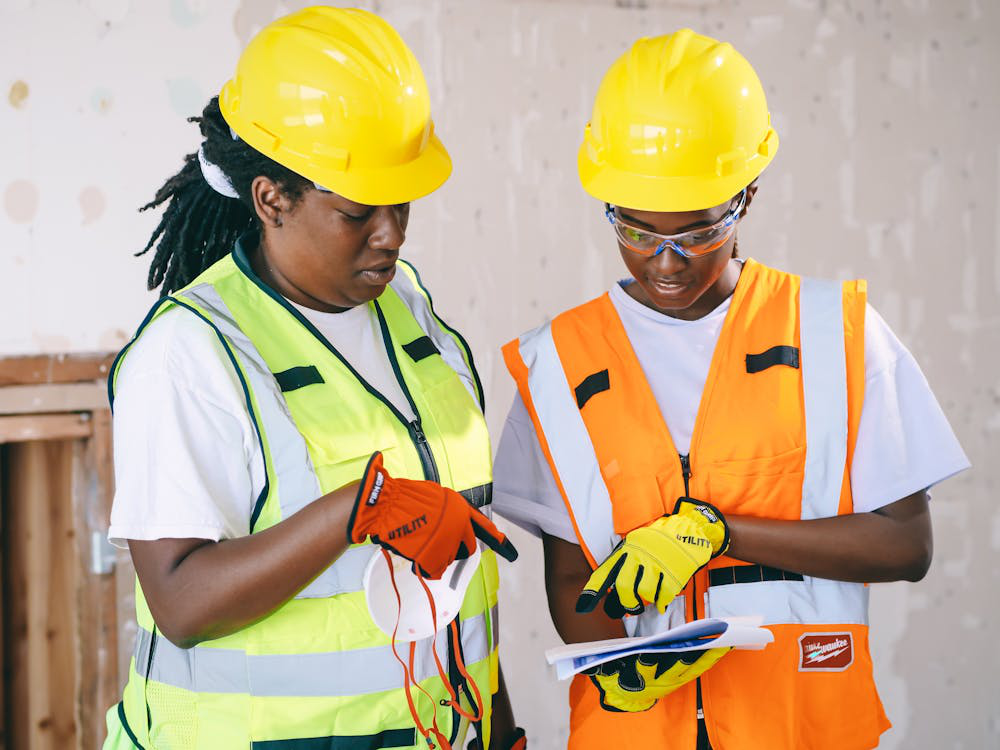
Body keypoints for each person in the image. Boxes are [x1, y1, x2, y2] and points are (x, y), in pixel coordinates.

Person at [493, 28, 969, 750]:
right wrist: (618, 667)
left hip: (797, 726)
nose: (667, 261)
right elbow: (571, 580)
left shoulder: (833, 333)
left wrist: (717, 532)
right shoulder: (559, 362)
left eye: (697, 231)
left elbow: (906, 546)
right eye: (636, 229)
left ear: (746, 197)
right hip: (638, 734)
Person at [102, 7, 526, 750]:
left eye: (401, 202)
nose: (391, 232)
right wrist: (352, 513)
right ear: (271, 199)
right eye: (358, 211)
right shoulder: (194, 353)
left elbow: (461, 588)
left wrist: (497, 727)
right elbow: (180, 601)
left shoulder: (411, 314)